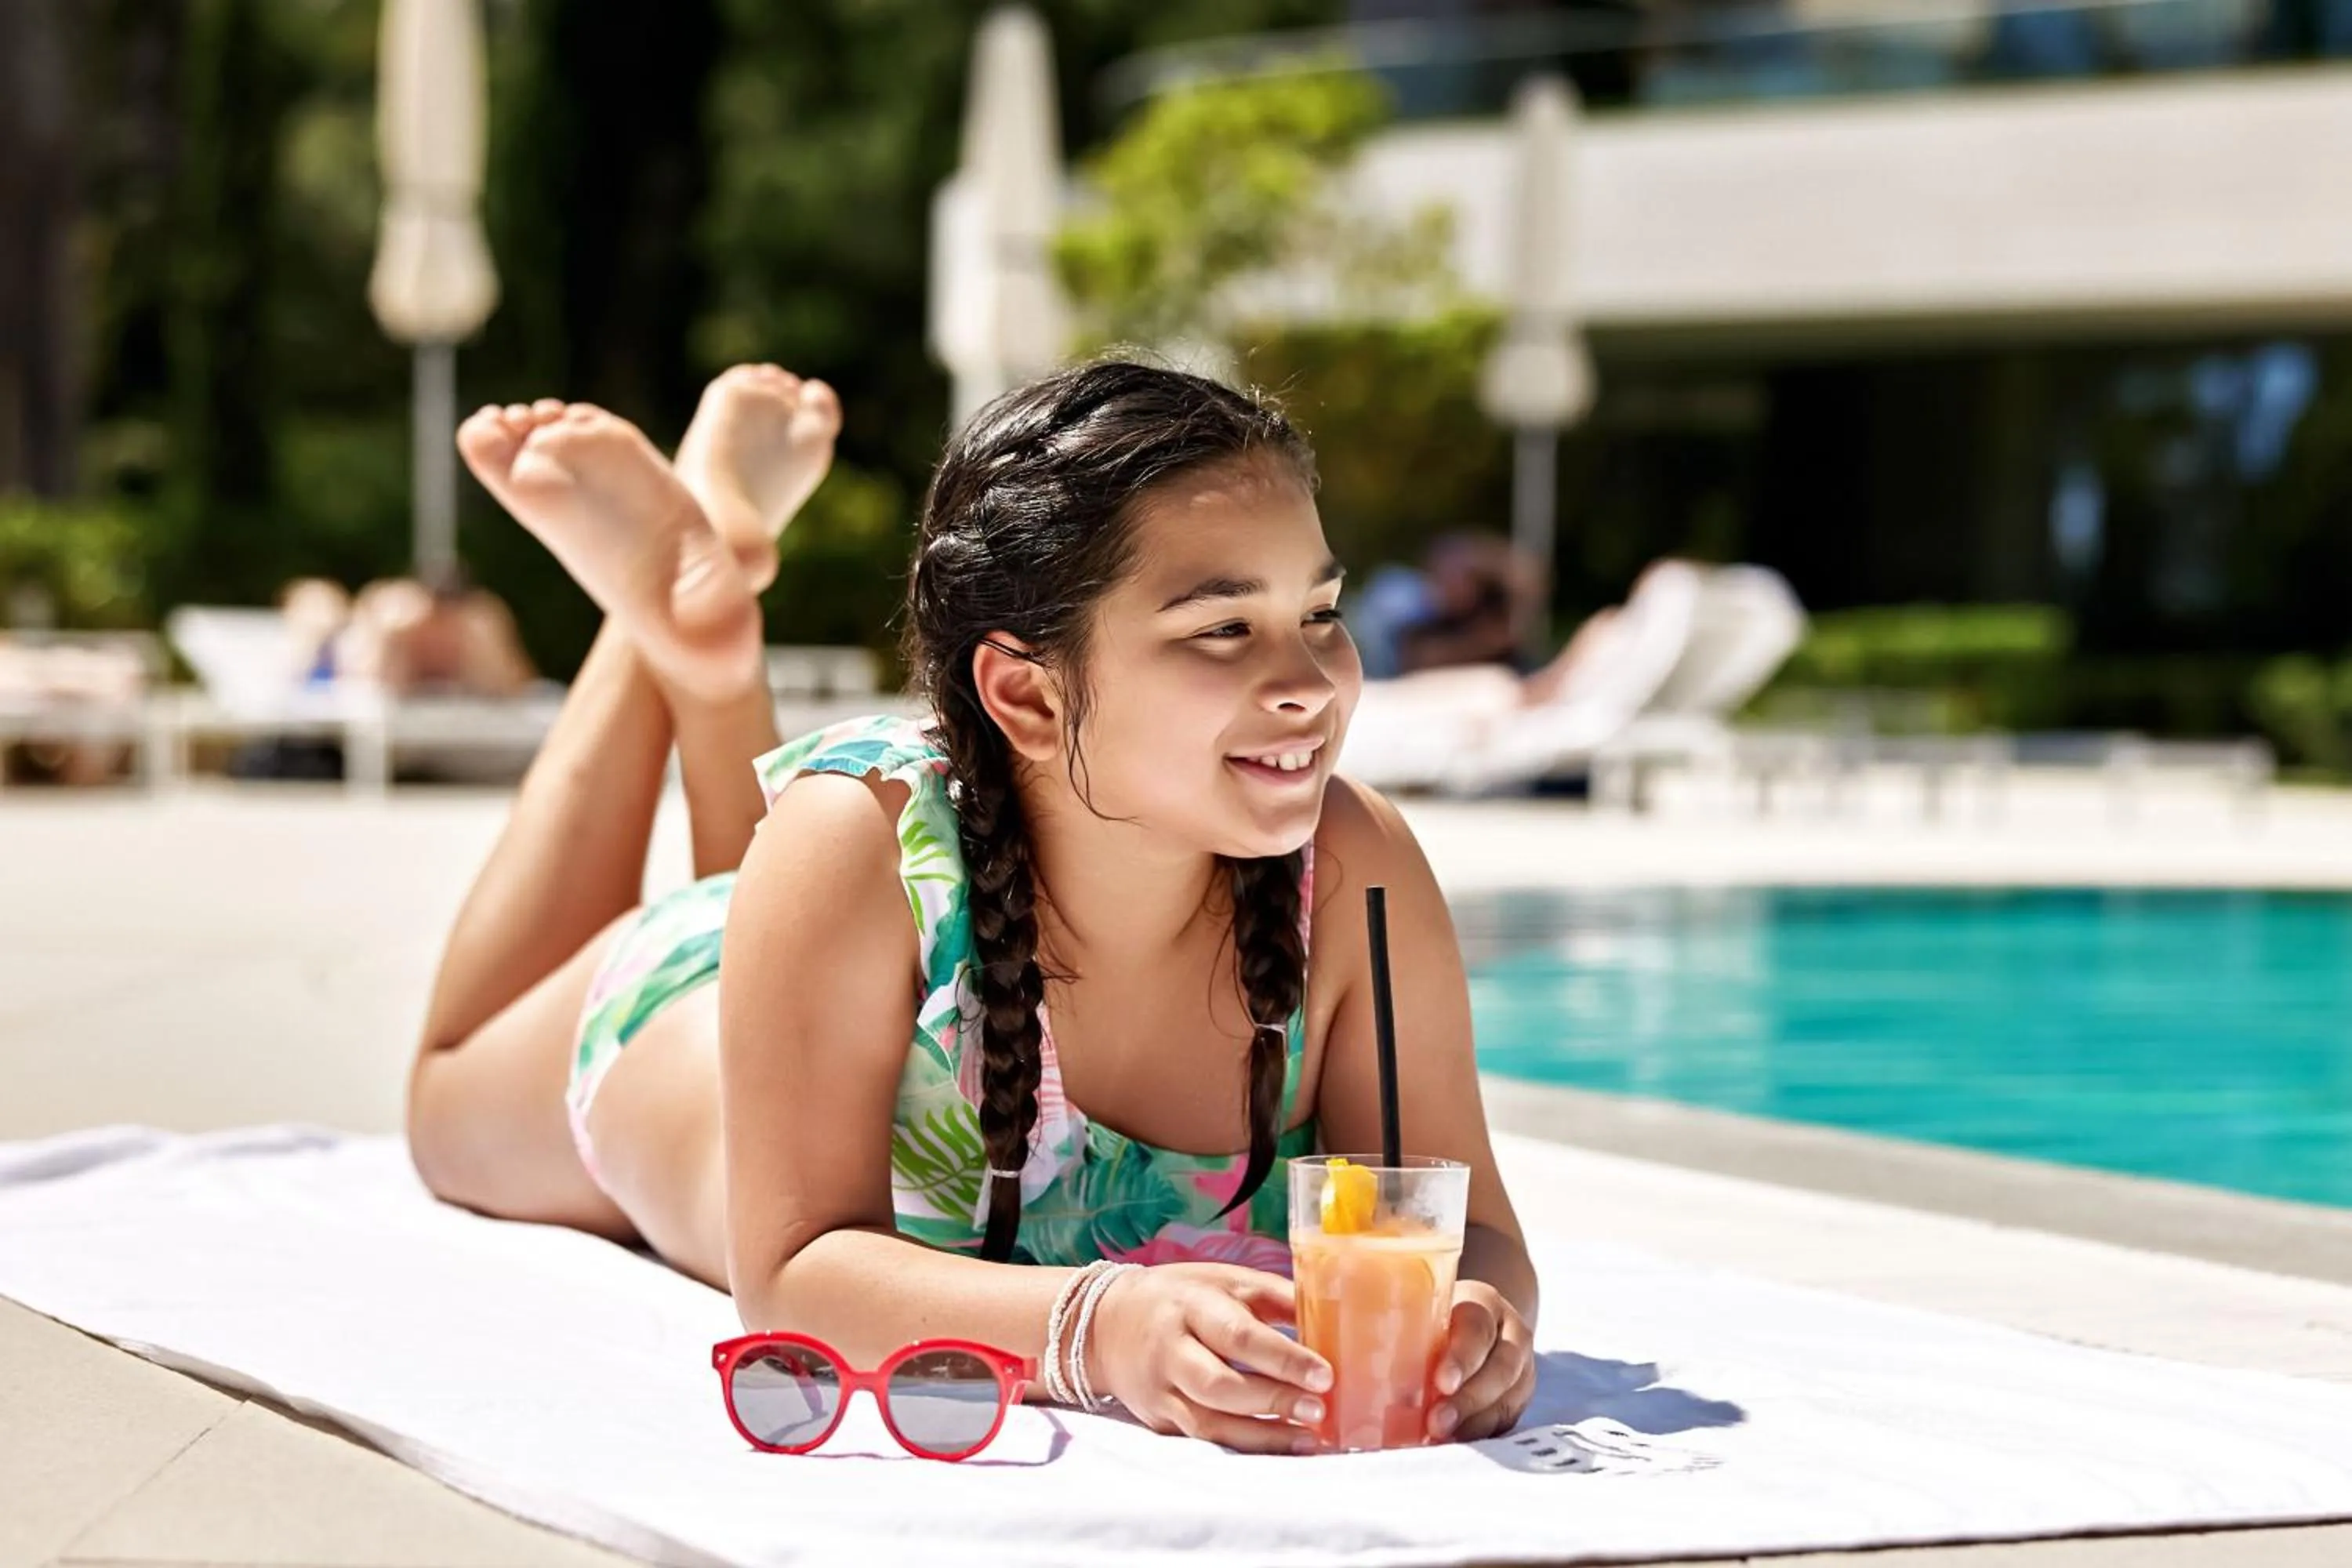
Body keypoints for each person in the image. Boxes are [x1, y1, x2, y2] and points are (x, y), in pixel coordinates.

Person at [404, 360, 1537, 1453]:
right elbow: (792, 1272)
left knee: (760, 896)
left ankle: (707, 635)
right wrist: (1095, 1328)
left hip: (832, 960)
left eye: (1321, 613)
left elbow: (1473, 1226)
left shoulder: (1354, 871)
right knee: (447, 1108)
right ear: (1027, 695)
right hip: (689, 1011)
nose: (1310, 681)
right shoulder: (853, 838)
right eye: (1223, 629)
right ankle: (658, 626)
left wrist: (1476, 1318)